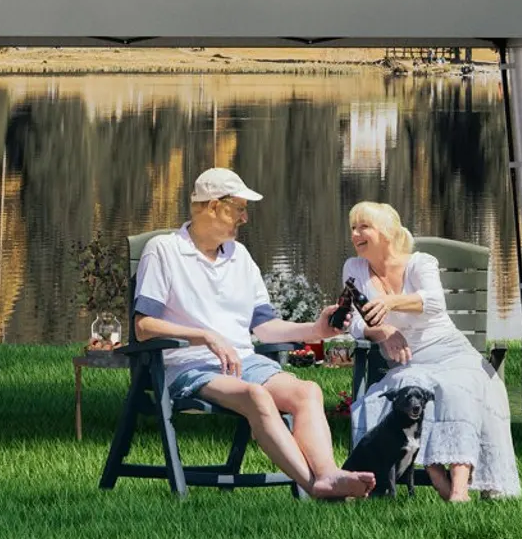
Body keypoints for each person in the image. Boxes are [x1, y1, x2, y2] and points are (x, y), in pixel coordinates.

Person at [133, 167, 375, 500]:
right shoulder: (164, 250)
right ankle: (317, 485)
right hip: (188, 366)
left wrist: (316, 329)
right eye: (239, 208)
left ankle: (328, 475)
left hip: (244, 362)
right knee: (256, 396)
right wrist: (205, 336)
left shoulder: (239, 256)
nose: (245, 218)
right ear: (214, 206)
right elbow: (143, 326)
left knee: (307, 391)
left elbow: (264, 327)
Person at [344, 201, 521, 502]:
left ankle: (459, 492)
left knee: (458, 389)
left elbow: (435, 302)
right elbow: (354, 322)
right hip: (410, 363)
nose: (355, 234)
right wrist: (382, 331)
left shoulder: (420, 263)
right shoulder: (354, 268)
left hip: (452, 354)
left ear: (386, 232)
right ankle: (438, 478)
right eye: (353, 228)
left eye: (364, 227)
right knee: (406, 387)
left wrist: (390, 302)